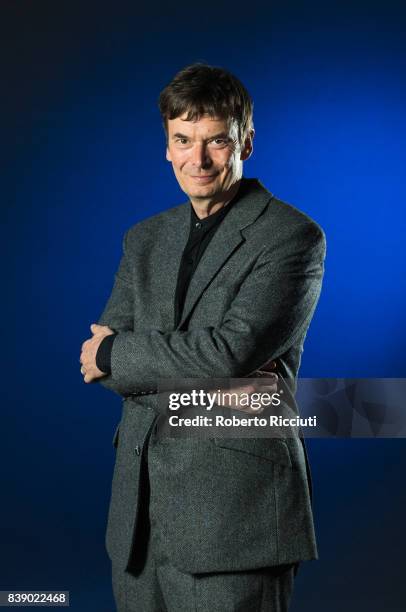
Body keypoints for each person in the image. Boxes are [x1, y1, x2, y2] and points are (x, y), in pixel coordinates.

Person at [79, 63, 326, 611]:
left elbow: (228, 351)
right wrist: (210, 379)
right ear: (166, 146)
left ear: (246, 142)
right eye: (183, 140)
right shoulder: (144, 239)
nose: (200, 159)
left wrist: (122, 352)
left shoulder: (292, 236)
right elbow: (97, 368)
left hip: (237, 519)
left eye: (217, 140)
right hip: (138, 521)